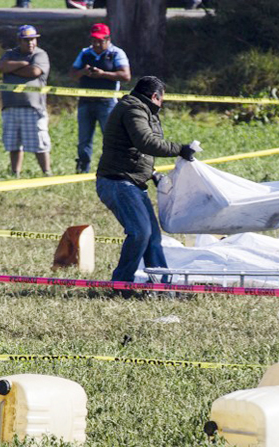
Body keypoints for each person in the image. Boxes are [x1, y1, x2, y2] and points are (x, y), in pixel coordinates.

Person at [96, 76, 198, 284]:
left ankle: (161, 285)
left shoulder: (138, 108)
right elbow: (145, 142)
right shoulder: (133, 109)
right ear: (155, 96)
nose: (161, 104)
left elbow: (130, 149)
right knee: (140, 232)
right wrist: (180, 149)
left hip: (131, 181)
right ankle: (122, 283)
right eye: (161, 100)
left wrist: (151, 173)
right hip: (118, 182)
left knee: (152, 237)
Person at [70, 23, 131, 174]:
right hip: (85, 102)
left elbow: (126, 76)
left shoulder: (117, 53)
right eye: (94, 40)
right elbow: (72, 74)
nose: (96, 44)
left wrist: (103, 74)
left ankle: (116, 167)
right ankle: (83, 168)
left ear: (108, 39)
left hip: (107, 103)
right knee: (84, 140)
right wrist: (83, 72)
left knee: (111, 138)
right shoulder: (85, 53)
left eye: (100, 40)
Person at [0, 25, 51, 177]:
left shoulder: (40, 55)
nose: (30, 43)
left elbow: (34, 71)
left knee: (39, 143)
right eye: (26, 40)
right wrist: (23, 64)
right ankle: (15, 173)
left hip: (33, 107)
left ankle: (47, 173)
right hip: (10, 106)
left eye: (33, 39)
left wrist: (12, 69)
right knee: (13, 144)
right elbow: (1, 66)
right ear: (19, 41)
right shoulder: (10, 54)